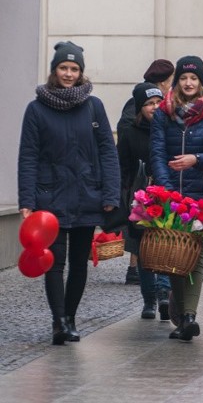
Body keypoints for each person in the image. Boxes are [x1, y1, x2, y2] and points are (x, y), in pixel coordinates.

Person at [18, 41, 121, 345]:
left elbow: (107, 151)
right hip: (48, 196)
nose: (68, 73)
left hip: (86, 194)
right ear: (54, 70)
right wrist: (26, 200)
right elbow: (28, 156)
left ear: (81, 72)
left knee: (79, 262)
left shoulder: (93, 105)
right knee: (54, 261)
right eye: (63, 67)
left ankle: (70, 318)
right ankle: (59, 320)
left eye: (74, 68)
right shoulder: (36, 108)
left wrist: (110, 194)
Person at [150, 55, 203, 342]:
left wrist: (196, 159)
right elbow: (157, 154)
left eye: (194, 78)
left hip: (201, 196)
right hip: (169, 199)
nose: (189, 82)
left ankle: (189, 317)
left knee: (196, 257)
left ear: (201, 82)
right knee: (175, 258)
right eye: (184, 78)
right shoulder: (162, 114)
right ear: (177, 81)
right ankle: (182, 318)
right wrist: (168, 191)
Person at [117, 58, 174, 286]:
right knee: (141, 235)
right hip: (140, 183)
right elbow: (124, 146)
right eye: (169, 82)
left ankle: (160, 287)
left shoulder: (167, 113)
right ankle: (142, 278)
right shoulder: (136, 107)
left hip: (161, 185)